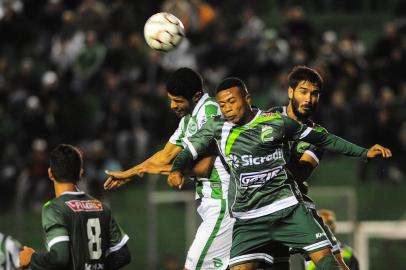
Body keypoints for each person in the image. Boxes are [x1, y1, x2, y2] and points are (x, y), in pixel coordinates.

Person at [168, 77, 391, 270]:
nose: (226, 109)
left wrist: (364, 153)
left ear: (247, 98)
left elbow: (323, 138)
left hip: (287, 210)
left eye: (232, 102)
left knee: (328, 262)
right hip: (249, 219)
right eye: (222, 104)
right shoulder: (216, 127)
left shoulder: (274, 123)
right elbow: (188, 151)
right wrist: (177, 169)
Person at [103, 67, 234, 270]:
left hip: (223, 203)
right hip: (213, 204)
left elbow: (204, 167)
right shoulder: (189, 119)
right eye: (171, 99)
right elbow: (165, 155)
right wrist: (129, 173)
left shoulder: (210, 112)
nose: (173, 105)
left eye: (178, 100)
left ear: (196, 96)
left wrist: (164, 170)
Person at [268, 66, 349, 270]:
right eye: (303, 91)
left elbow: (301, 172)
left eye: (314, 94)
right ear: (290, 92)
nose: (309, 99)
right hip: (262, 206)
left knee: (335, 263)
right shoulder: (267, 119)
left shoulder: (318, 135)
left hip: (297, 206)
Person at [19, 144, 131, 270]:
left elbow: (60, 258)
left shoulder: (54, 208)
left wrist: (32, 259)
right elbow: (123, 255)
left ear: (50, 173)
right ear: (81, 173)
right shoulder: (101, 206)